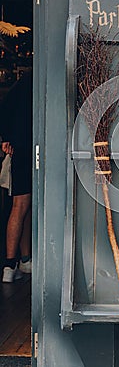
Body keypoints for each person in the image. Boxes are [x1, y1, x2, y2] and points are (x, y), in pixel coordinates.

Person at [0, 70, 32, 282]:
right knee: (21, 206)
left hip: (21, 148)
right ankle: (9, 265)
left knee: (26, 206)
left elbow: (4, 107)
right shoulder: (36, 79)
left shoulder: (25, 81)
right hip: (27, 148)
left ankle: (25, 260)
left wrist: (7, 136)